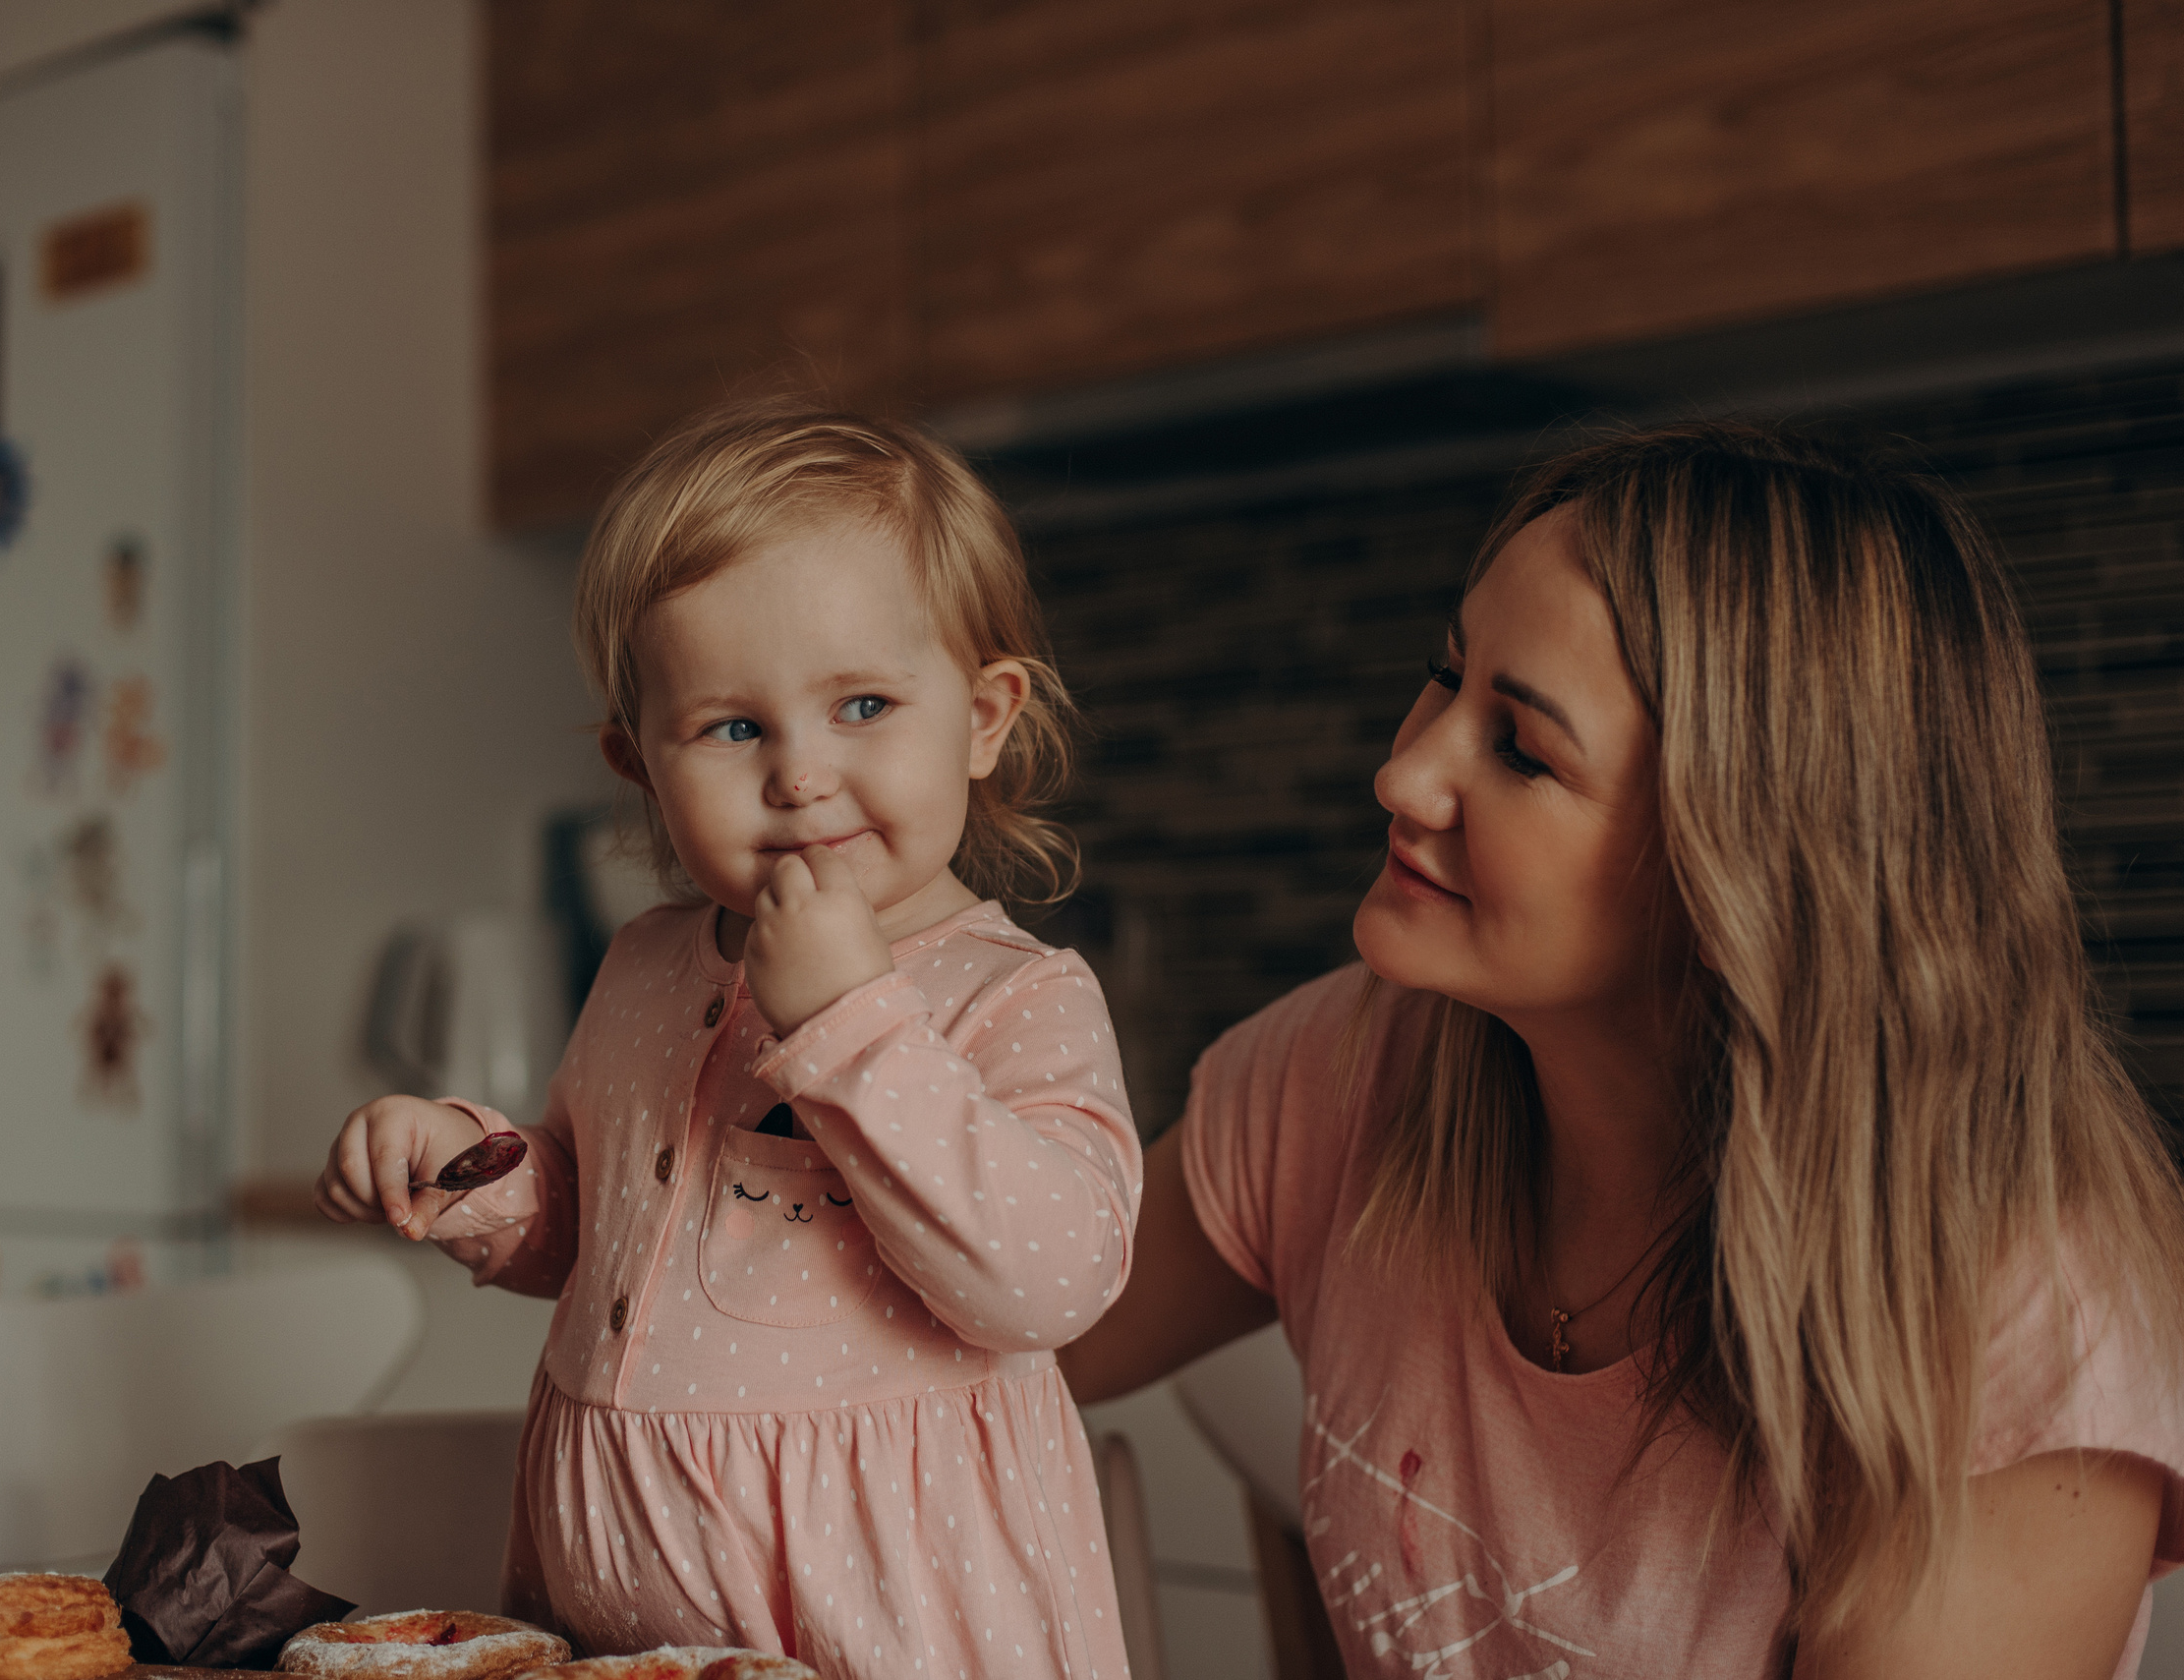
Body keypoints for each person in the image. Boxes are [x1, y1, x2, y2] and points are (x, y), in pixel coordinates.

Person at [1057, 423, 2184, 1678]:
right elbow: (970, 1333)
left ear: (1741, 869)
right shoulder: (1344, 1072)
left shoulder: (2010, 1317)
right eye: (1444, 673)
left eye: (1521, 749)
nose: (1403, 771)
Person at [316, 399, 1140, 1680]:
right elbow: (600, 1231)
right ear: (637, 763)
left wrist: (851, 1025)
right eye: (735, 727)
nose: (802, 774)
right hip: (615, 1615)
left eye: (863, 703)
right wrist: (468, 1167)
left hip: (893, 1611)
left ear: (983, 717)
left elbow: (1048, 1283)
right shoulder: (646, 967)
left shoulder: (1011, 995)